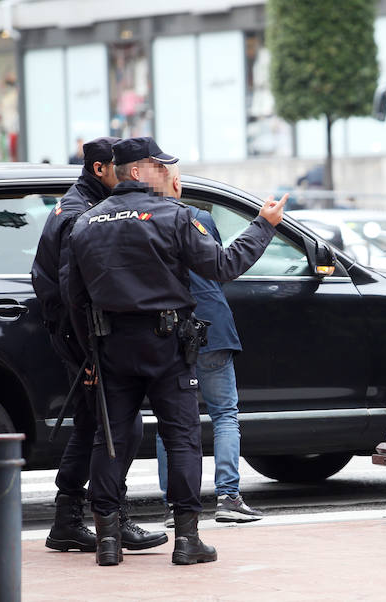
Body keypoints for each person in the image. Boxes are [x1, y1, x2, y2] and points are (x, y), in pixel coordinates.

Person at [64, 136, 287, 566]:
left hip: (110, 345)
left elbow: (75, 297)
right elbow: (222, 266)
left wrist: (88, 355)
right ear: (136, 170)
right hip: (166, 343)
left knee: (109, 437)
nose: (167, 171)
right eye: (159, 165)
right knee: (181, 436)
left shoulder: (86, 223)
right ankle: (186, 539)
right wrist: (264, 224)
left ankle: (108, 540)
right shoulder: (173, 215)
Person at [31, 136, 166, 554]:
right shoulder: (80, 214)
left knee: (97, 423)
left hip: (79, 334)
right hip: (82, 337)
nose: (126, 174)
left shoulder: (79, 205)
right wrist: (88, 350)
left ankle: (68, 518)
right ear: (99, 170)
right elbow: (75, 289)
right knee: (119, 425)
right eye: (117, 166)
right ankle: (109, 515)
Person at [155, 162, 264, 527]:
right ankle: (228, 498)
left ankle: (174, 506)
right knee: (224, 414)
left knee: (169, 420)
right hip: (211, 327)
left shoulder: (142, 225)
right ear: (175, 184)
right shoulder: (198, 218)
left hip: (167, 332)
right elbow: (218, 264)